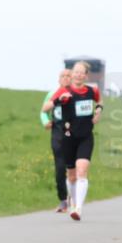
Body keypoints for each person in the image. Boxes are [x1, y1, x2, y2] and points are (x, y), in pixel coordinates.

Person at [44, 61, 103, 221]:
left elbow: (99, 102)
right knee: (71, 176)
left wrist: (98, 112)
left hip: (85, 137)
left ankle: (78, 209)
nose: (78, 75)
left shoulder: (92, 91)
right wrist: (59, 100)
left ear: (86, 75)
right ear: (72, 74)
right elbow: (45, 108)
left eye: (81, 72)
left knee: (82, 170)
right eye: (75, 72)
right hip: (68, 137)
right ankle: (73, 202)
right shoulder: (64, 90)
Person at [41, 69, 73, 212]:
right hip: (58, 134)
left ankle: (74, 199)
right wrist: (45, 122)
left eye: (68, 76)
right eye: (63, 76)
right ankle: (63, 200)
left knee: (73, 169)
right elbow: (43, 111)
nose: (65, 78)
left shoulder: (76, 94)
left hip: (74, 134)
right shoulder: (52, 93)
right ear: (58, 79)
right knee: (60, 169)